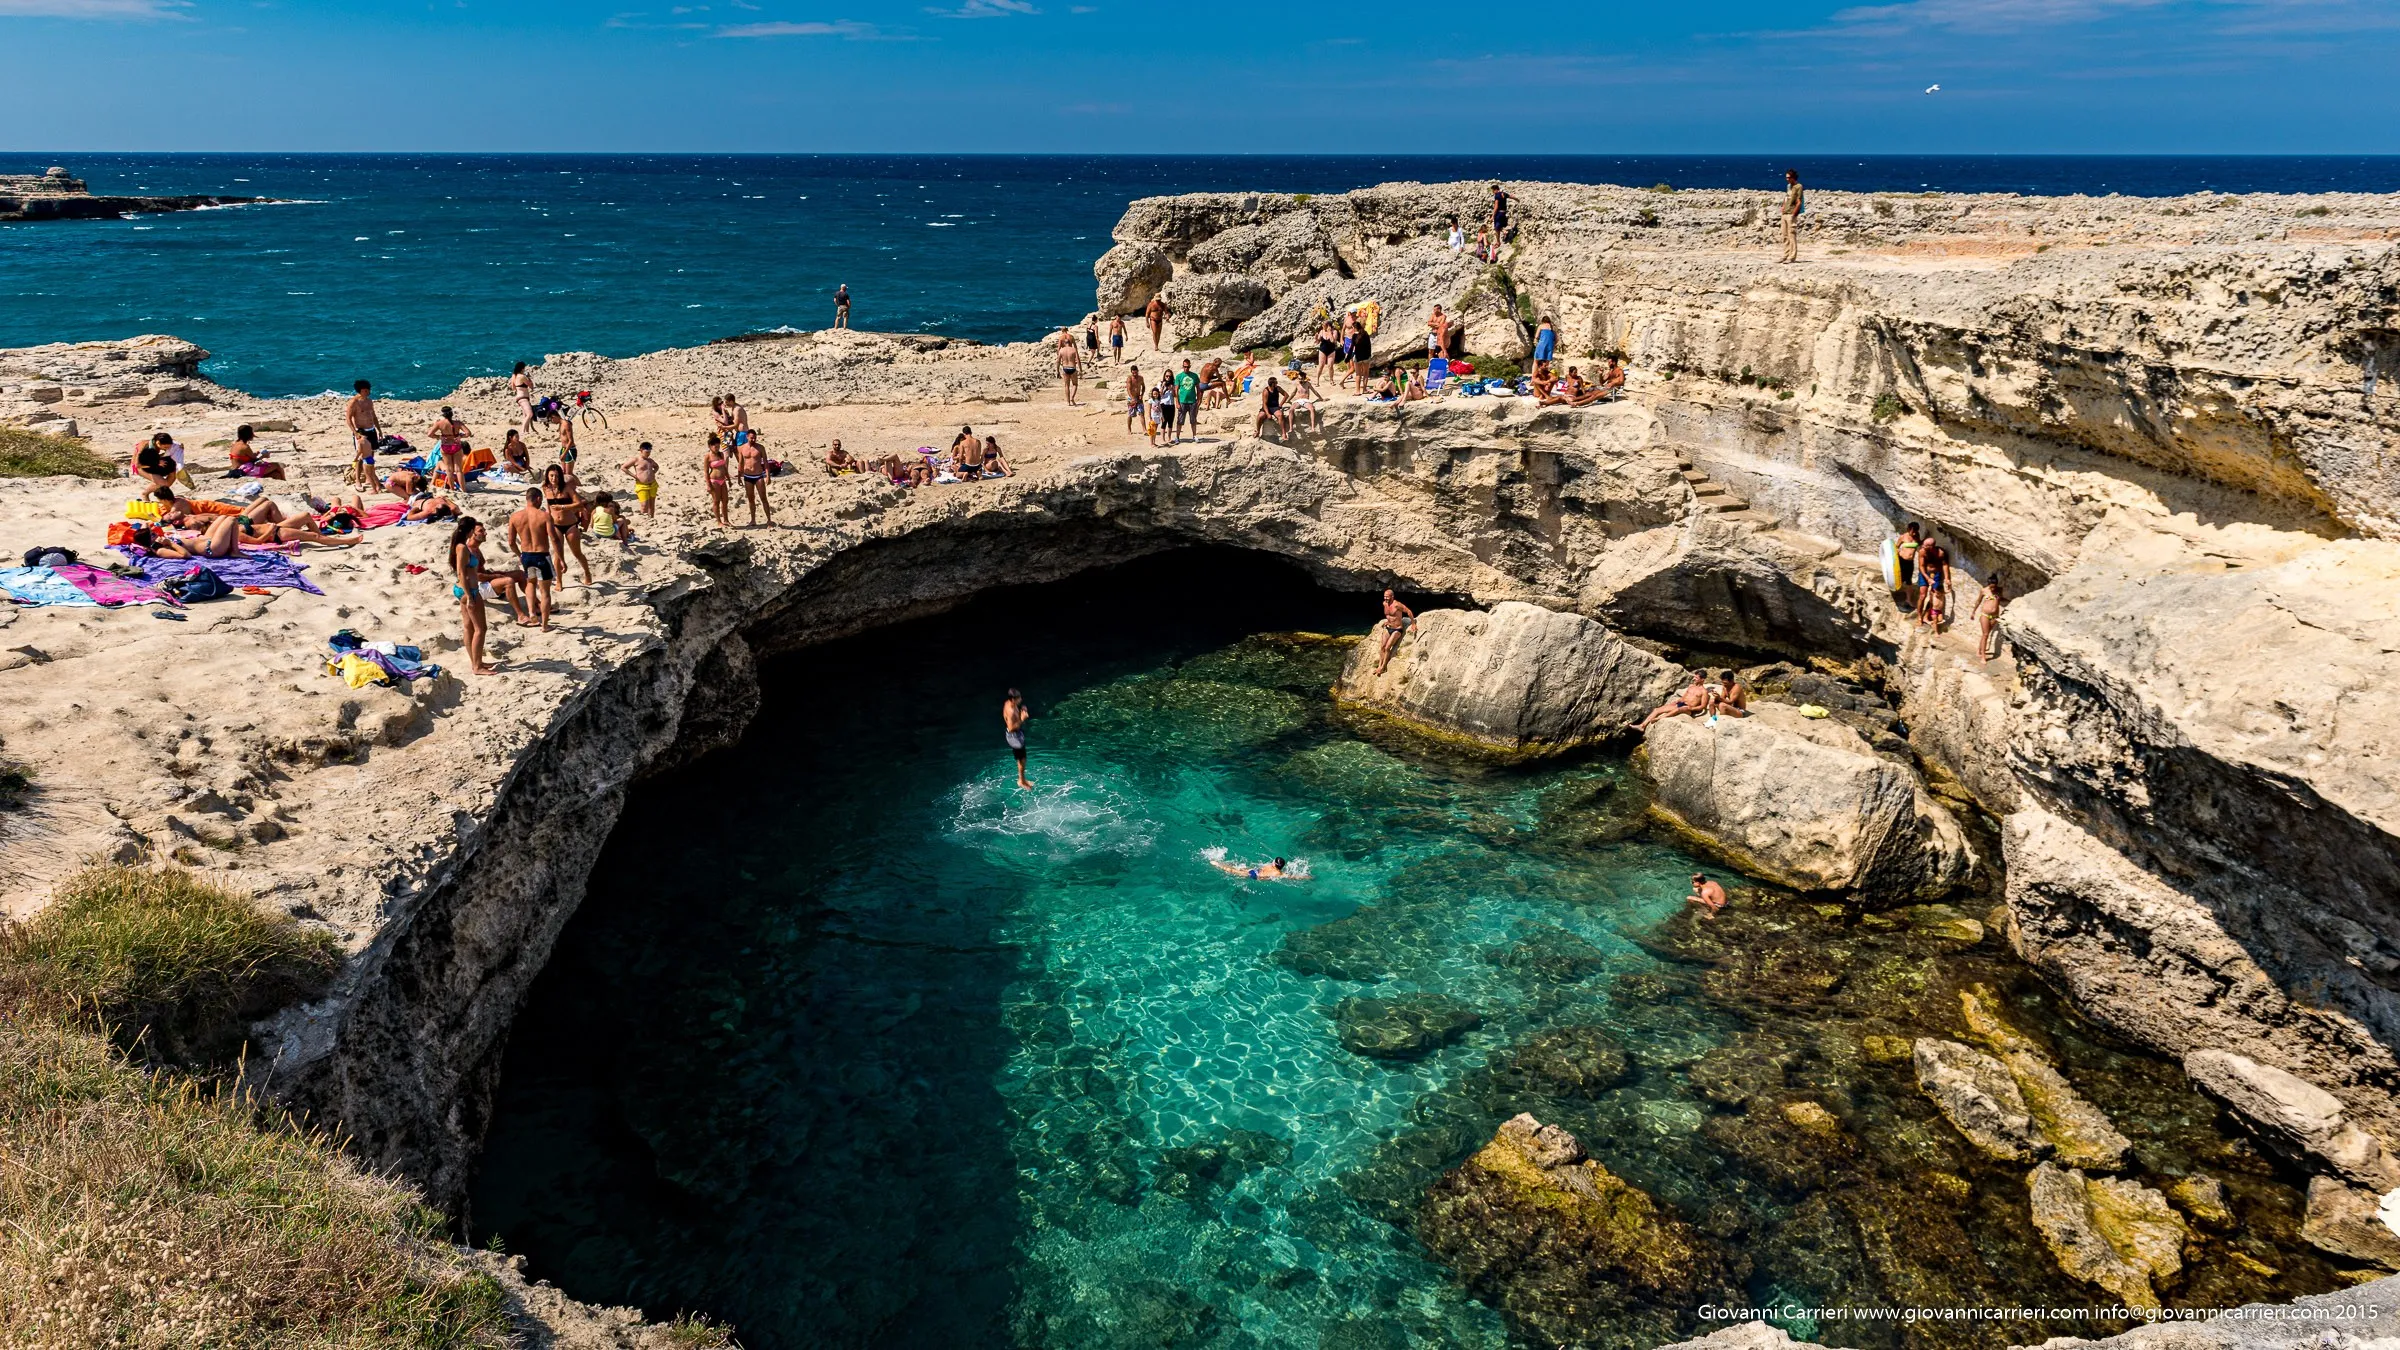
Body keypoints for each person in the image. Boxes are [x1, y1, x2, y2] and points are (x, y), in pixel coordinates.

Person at [452, 518, 511, 673]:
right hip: (468, 591)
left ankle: (476, 662)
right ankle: (477, 666)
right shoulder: (463, 548)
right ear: (471, 531)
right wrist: (470, 597)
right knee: (481, 629)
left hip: (461, 590)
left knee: (468, 627)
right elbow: (461, 573)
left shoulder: (458, 546)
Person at [505, 488, 556, 629]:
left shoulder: (515, 517)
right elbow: (553, 538)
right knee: (545, 592)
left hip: (526, 555)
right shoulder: (544, 516)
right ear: (538, 499)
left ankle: (532, 612)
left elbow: (510, 542)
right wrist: (560, 558)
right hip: (541, 555)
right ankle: (545, 625)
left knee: (531, 583)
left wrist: (519, 554)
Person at [540, 463, 592, 587]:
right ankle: (559, 581)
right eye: (551, 476)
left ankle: (587, 572)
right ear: (547, 476)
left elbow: (579, 504)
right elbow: (548, 505)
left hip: (570, 524)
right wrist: (548, 516)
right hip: (555, 524)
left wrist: (562, 507)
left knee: (577, 552)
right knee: (557, 555)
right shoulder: (545, 488)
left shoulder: (567, 488)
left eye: (556, 476)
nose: (554, 479)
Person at [1638, 670, 1712, 730]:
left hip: (1688, 709)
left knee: (1678, 709)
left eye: (1696, 678)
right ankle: (1642, 725)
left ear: (1702, 679)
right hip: (1680, 704)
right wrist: (1678, 701)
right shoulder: (1691, 686)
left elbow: (1703, 706)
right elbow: (1684, 697)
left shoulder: (1704, 692)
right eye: (1694, 677)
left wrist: (1692, 708)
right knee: (1657, 710)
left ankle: (1659, 718)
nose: (1693, 679)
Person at [346, 379, 382, 489]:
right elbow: (348, 418)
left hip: (371, 430)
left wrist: (379, 430)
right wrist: (355, 433)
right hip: (361, 431)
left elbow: (373, 416)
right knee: (362, 456)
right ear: (360, 390)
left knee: (371, 455)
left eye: (368, 390)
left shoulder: (369, 401)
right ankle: (357, 480)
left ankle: (369, 477)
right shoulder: (354, 402)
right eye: (366, 390)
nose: (368, 392)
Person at [736, 428, 773, 525]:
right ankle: (753, 520)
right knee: (751, 499)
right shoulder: (742, 448)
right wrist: (739, 476)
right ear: (747, 437)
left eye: (755, 438)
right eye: (751, 438)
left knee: (763, 498)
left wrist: (768, 476)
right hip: (748, 476)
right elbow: (740, 463)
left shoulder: (760, 448)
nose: (753, 440)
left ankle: (769, 520)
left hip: (759, 476)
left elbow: (765, 462)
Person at [1374, 589, 1415, 675]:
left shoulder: (1397, 605)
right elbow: (1388, 616)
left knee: (1387, 648)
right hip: (1388, 627)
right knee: (1382, 647)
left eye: (1387, 597)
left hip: (1397, 629)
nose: (1386, 598)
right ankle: (1379, 665)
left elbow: (1408, 611)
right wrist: (1387, 622)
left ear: (1392, 597)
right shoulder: (1384, 603)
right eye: (1384, 596)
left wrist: (1413, 624)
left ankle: (1383, 667)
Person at [430, 406, 470, 492]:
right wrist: (460, 436)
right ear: (452, 413)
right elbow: (468, 433)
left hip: (445, 446)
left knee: (449, 470)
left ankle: (452, 489)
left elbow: (430, 434)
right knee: (458, 470)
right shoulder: (458, 423)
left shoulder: (439, 423)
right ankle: (464, 490)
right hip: (456, 445)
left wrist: (439, 437)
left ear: (443, 414)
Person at [1916, 536, 1952, 626]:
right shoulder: (1922, 551)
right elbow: (1921, 566)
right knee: (1922, 595)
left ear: (1931, 546)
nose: (1923, 547)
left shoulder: (1941, 553)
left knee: (1934, 596)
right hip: (1924, 573)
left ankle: (1927, 615)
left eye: (1925, 546)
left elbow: (1944, 565)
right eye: (1923, 545)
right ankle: (1919, 616)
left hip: (1936, 574)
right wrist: (1927, 578)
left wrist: (1947, 578)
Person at [1002, 688, 1034, 789]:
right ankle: (1021, 781)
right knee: (1022, 759)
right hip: (1014, 737)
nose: (1020, 699)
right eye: (1018, 698)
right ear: (1012, 699)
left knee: (1022, 759)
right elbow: (1011, 728)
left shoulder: (1009, 703)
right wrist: (1022, 719)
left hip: (1017, 733)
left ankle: (1022, 779)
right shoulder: (1010, 711)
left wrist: (1022, 709)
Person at [621, 442, 660, 516]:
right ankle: (644, 520)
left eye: (649, 452)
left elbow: (656, 466)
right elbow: (623, 467)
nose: (648, 454)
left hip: (653, 484)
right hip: (642, 486)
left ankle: (651, 520)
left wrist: (653, 473)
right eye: (646, 452)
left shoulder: (650, 460)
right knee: (644, 505)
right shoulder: (636, 460)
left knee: (652, 504)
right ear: (641, 450)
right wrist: (634, 476)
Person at [703, 433, 732, 525]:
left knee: (725, 500)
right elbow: (706, 472)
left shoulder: (721, 454)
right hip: (714, 481)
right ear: (710, 446)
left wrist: (729, 479)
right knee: (716, 501)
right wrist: (708, 485)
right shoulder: (708, 456)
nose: (717, 447)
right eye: (714, 446)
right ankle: (719, 521)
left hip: (723, 480)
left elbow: (724, 468)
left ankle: (726, 520)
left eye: (718, 446)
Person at [1976, 576, 2007, 663]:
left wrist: (2009, 601)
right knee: (1985, 635)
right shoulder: (1983, 590)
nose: (1993, 588)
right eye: (1991, 587)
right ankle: (1983, 657)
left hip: (1995, 616)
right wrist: (1973, 612)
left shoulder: (1999, 590)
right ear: (1988, 584)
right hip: (1985, 615)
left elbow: (2000, 599)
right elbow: (1978, 601)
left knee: (1986, 634)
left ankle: (1979, 650)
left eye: (1994, 586)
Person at [1894, 522, 1923, 609]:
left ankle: (1908, 600)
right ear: (1908, 529)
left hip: (1910, 562)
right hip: (1902, 560)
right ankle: (1898, 596)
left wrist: (1925, 536)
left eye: (1915, 531)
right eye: (1912, 531)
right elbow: (1896, 547)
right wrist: (1898, 552)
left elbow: (1920, 543)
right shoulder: (1903, 536)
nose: (1913, 533)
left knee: (1909, 581)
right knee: (1901, 578)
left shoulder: (1916, 536)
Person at [1780, 169, 1804, 264]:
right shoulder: (1788, 186)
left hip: (1791, 214)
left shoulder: (1799, 187)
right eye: (1786, 177)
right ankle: (1785, 255)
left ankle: (1792, 257)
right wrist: (1783, 207)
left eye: (1788, 177)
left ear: (1793, 177)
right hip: (1785, 213)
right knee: (1784, 235)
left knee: (1791, 236)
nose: (1787, 179)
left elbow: (1799, 201)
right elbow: (1786, 197)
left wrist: (1794, 214)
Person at [1213, 856, 1300, 881]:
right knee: (1232, 871)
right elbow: (1292, 877)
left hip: (1255, 871)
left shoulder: (1269, 866)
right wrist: (1305, 877)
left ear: (1274, 863)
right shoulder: (1278, 873)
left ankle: (1219, 863)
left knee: (1235, 869)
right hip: (1255, 875)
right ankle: (1217, 864)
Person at [1174, 360, 1200, 442]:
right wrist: (1177, 402)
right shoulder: (1179, 376)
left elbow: (1198, 389)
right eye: (1185, 366)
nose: (1186, 368)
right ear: (1182, 366)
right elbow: (1176, 390)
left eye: (1188, 367)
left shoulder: (1194, 376)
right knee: (1180, 420)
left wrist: (1198, 400)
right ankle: (1177, 437)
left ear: (1190, 366)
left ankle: (1194, 436)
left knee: (1193, 419)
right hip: (1182, 401)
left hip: (1192, 401)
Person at [1348, 313, 1373, 392]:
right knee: (1365, 373)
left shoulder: (1354, 336)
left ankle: (1357, 391)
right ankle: (1364, 389)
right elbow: (1369, 346)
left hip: (1358, 357)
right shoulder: (1365, 334)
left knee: (1358, 374)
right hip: (1366, 356)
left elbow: (1352, 347)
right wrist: (1369, 355)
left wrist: (1348, 357)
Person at [1058, 328, 1082, 405]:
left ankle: (1068, 402)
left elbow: (1058, 361)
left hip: (1065, 368)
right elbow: (1078, 360)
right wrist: (1081, 370)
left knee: (1066, 386)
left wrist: (1057, 370)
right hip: (1073, 368)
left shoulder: (1061, 349)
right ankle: (1072, 398)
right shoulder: (1073, 348)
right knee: (1075, 384)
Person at [511, 362, 536, 434]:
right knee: (530, 414)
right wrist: (529, 379)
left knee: (525, 415)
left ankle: (527, 431)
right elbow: (531, 386)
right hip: (523, 397)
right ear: (522, 368)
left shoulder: (514, 376)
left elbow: (513, 388)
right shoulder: (522, 376)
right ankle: (522, 431)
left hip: (519, 397)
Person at [1124, 365, 1146, 435]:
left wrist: (1141, 395)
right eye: (1133, 373)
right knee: (1130, 414)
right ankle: (1129, 429)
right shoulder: (1129, 379)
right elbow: (1128, 389)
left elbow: (1143, 386)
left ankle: (1144, 429)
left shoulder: (1140, 378)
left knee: (1141, 413)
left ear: (1137, 371)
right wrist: (1132, 398)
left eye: (1136, 372)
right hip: (1131, 398)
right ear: (1131, 372)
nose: (1135, 374)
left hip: (1138, 397)